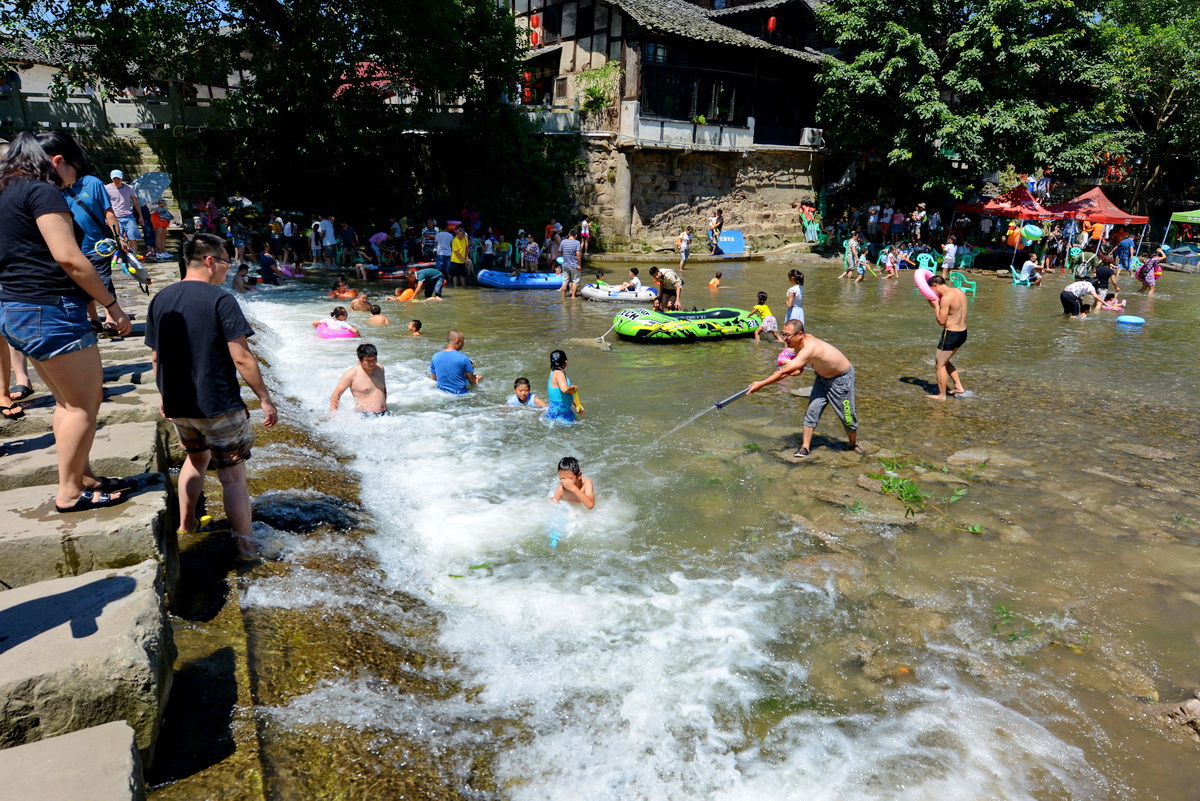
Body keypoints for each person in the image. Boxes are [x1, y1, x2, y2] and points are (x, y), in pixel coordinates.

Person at [0, 131, 134, 509]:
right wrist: (111, 304)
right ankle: (70, 492)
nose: (74, 179)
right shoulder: (41, 191)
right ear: (57, 161)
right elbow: (70, 258)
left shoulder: (6, 192)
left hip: (18, 307)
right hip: (52, 309)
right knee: (83, 405)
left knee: (66, 403)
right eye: (74, 169)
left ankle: (83, 477)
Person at [146, 233, 278, 555]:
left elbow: (155, 357)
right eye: (226, 262)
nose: (227, 270)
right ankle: (246, 547)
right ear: (210, 261)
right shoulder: (220, 300)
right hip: (217, 404)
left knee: (196, 460)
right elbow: (242, 357)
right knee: (232, 478)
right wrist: (264, 398)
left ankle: (186, 524)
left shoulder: (160, 299)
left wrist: (165, 395)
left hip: (179, 403)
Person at [746, 320, 860, 459]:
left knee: (847, 416)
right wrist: (789, 370)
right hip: (822, 378)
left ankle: (853, 444)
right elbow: (798, 370)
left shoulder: (809, 348)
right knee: (812, 410)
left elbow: (782, 373)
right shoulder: (798, 344)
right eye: (783, 334)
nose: (784, 338)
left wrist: (761, 384)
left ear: (800, 334)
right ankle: (805, 447)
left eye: (788, 335)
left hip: (841, 379)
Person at [43, 131, 120, 329]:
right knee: (80, 284)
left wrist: (119, 237)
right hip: (73, 246)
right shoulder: (54, 188)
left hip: (97, 244)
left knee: (103, 280)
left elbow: (108, 212)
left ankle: (110, 317)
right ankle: (93, 319)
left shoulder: (93, 183)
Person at [927, 275, 968, 400]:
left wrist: (936, 306)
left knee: (939, 365)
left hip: (951, 333)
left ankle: (941, 395)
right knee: (944, 361)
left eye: (930, 289)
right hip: (962, 332)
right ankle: (959, 387)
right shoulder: (959, 291)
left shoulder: (946, 298)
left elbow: (941, 321)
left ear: (935, 285)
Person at [330, 342, 387, 415]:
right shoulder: (351, 374)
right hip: (364, 415)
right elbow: (336, 394)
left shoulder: (380, 368)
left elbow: (383, 388)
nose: (372, 363)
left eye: (374, 359)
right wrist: (333, 413)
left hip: (384, 415)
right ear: (360, 360)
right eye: (368, 361)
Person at [105, 169, 142, 255]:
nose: (117, 180)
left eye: (118, 178)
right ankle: (121, 257)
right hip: (115, 217)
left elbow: (135, 202)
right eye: (115, 178)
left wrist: (140, 216)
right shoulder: (106, 188)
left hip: (128, 216)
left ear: (122, 178)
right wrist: (106, 217)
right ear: (111, 178)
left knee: (133, 238)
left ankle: (134, 256)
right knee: (118, 240)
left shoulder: (129, 188)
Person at [430, 329, 479, 394]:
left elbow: (434, 379)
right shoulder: (464, 358)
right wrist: (477, 378)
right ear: (458, 342)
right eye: (463, 341)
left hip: (441, 392)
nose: (463, 344)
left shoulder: (435, 356)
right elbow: (472, 382)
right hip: (460, 394)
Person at [545, 349, 580, 423]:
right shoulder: (559, 374)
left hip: (559, 412)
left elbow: (566, 394)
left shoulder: (554, 372)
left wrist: (577, 405)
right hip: (560, 415)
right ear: (565, 361)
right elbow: (565, 389)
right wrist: (572, 387)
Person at [559, 229, 582, 298]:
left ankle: (563, 296)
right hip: (574, 265)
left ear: (569, 234)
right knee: (575, 281)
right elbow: (578, 254)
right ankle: (573, 296)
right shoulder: (577, 242)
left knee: (565, 281)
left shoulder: (563, 242)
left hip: (565, 264)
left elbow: (560, 252)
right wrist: (579, 265)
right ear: (576, 235)